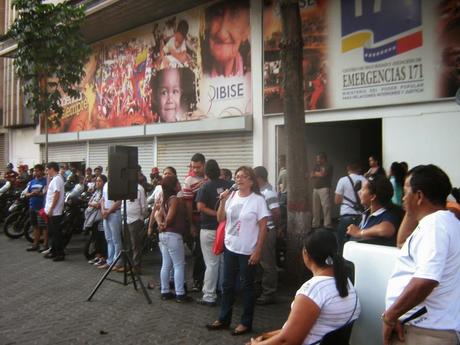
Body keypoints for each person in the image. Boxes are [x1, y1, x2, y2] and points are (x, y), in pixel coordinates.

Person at [383, 165, 460, 345]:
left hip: (424, 332)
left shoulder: (435, 226)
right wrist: (412, 211)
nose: (402, 196)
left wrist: (390, 316)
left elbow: (426, 279)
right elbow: (402, 243)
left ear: (419, 196)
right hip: (426, 328)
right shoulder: (442, 222)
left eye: (406, 190)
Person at [247, 229, 360, 345]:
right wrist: (266, 336)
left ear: (305, 253)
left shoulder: (313, 290)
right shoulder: (346, 282)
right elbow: (299, 330)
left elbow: (288, 341)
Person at [206, 166, 269, 336]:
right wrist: (223, 201)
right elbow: (220, 219)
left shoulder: (258, 200)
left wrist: (258, 250)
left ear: (251, 181)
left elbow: (264, 228)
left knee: (247, 287)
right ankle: (224, 319)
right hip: (230, 247)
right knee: (227, 285)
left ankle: (245, 323)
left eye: (243, 176)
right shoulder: (232, 196)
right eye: (237, 176)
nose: (239, 179)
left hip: (248, 250)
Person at [196, 159, 232, 306]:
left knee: (211, 263)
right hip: (225, 229)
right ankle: (223, 291)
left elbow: (200, 207)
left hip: (209, 229)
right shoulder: (229, 185)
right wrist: (223, 216)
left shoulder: (205, 187)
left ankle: (209, 296)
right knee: (223, 262)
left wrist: (216, 213)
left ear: (206, 172)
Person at [155, 175, 192, 303]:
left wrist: (160, 224)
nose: (179, 184)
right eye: (177, 183)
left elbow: (157, 214)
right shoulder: (174, 200)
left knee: (166, 264)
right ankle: (180, 294)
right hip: (173, 235)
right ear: (174, 186)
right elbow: (170, 218)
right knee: (179, 265)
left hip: (164, 236)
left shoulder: (165, 198)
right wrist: (165, 224)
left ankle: (165, 291)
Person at [346, 175, 403, 246]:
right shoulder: (366, 214)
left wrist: (360, 232)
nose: (359, 192)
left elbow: (386, 229)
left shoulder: (389, 215)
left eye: (363, 189)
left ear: (372, 196)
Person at [254, 166, 281, 305]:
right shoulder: (259, 192)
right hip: (259, 232)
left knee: (267, 263)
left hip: (268, 231)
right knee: (260, 262)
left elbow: (276, 212)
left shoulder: (269, 193)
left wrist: (276, 228)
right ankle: (261, 289)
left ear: (259, 178)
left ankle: (269, 292)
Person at [202, 0, 250, 77]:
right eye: (217, 13)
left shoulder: (251, 73)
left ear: (246, 31)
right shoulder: (198, 73)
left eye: (234, 15)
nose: (222, 33)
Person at [182, 153, 206, 292]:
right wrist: (191, 224)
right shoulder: (189, 181)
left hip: (215, 222)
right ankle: (197, 280)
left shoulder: (211, 177)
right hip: (198, 222)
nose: (195, 169)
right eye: (193, 167)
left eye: (198, 167)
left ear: (204, 164)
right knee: (199, 252)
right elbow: (188, 205)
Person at [334, 163, 366, 250]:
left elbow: (337, 200)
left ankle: (342, 261)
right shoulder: (365, 180)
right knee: (358, 244)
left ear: (348, 168)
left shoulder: (343, 180)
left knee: (341, 245)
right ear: (359, 169)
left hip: (346, 216)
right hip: (362, 217)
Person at [124, 172, 147, 274]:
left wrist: (141, 217)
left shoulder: (139, 188)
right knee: (127, 245)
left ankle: (136, 268)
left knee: (135, 245)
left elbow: (144, 205)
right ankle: (129, 266)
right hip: (125, 219)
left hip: (135, 220)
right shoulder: (124, 187)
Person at [43, 162, 66, 261]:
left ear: (52, 169)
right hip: (51, 211)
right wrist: (48, 179)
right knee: (52, 233)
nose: (46, 171)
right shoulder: (54, 179)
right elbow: (49, 191)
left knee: (56, 233)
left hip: (55, 212)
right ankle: (53, 251)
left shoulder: (57, 179)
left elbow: (57, 194)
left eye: (47, 169)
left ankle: (60, 253)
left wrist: (52, 208)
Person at [99, 180, 122, 270]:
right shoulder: (106, 184)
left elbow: (119, 201)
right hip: (106, 213)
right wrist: (103, 210)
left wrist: (108, 211)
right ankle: (110, 261)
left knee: (116, 239)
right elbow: (103, 199)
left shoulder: (118, 184)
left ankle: (117, 262)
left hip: (114, 213)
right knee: (109, 238)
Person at [85, 175, 107, 267]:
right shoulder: (96, 192)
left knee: (101, 238)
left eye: (99, 181)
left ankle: (103, 257)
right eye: (97, 181)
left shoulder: (104, 192)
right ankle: (97, 256)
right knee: (95, 238)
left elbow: (98, 205)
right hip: (93, 219)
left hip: (100, 218)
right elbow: (90, 202)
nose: (97, 183)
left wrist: (92, 204)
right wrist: (92, 204)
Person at [25, 164, 48, 252]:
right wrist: (31, 194)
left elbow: (45, 193)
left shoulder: (46, 181)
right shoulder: (31, 182)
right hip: (32, 207)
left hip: (42, 208)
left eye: (37, 170)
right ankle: (35, 244)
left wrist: (38, 194)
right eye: (35, 170)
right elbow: (26, 193)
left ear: (42, 171)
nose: (35, 172)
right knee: (35, 226)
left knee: (44, 227)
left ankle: (45, 245)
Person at [310, 152, 333, 229]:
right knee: (315, 207)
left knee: (326, 207)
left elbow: (323, 174)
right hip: (315, 189)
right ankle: (315, 224)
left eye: (318, 158)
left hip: (324, 188)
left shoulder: (328, 165)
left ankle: (327, 224)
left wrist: (315, 174)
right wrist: (317, 173)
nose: (317, 160)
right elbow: (311, 175)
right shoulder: (316, 166)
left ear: (323, 159)